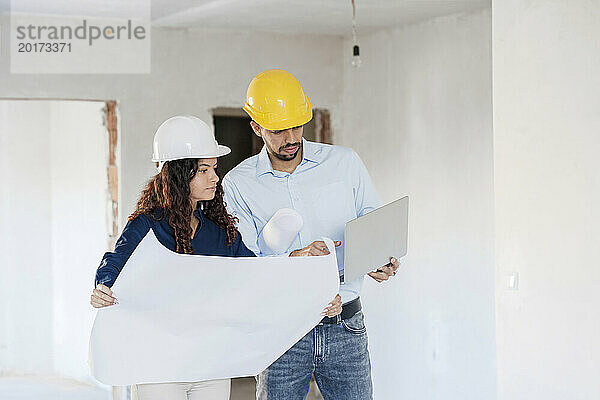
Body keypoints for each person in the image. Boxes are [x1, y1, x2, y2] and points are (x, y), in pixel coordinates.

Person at [90, 115, 343, 400]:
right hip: (159, 366)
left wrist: (312, 285)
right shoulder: (148, 225)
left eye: (214, 168)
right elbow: (116, 261)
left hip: (210, 364)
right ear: (177, 174)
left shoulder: (220, 233)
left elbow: (258, 276)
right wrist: (104, 285)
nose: (214, 177)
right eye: (203, 170)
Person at [222, 69, 400, 400]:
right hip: (281, 331)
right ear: (256, 127)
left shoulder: (344, 163)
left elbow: (374, 224)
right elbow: (245, 263)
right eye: (278, 130)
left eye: (297, 125)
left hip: (345, 327)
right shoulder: (238, 184)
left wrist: (380, 259)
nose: (291, 138)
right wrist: (297, 258)